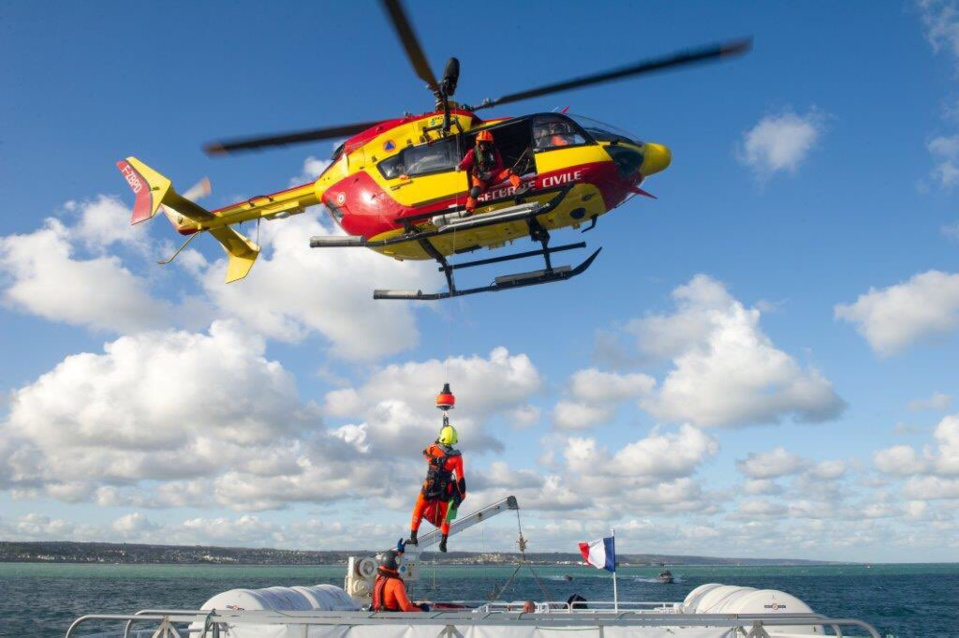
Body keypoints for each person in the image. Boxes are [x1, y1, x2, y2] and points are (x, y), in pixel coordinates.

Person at [408, 424, 466, 553]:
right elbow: (460, 478)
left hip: (429, 486)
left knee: (418, 509)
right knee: (446, 516)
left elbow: (425, 451)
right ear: (455, 439)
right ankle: (443, 542)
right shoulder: (457, 457)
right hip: (445, 490)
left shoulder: (432, 450)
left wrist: (438, 439)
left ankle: (413, 537)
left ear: (441, 437)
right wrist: (462, 495)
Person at [458, 130, 523, 213]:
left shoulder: (495, 152)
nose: (483, 145)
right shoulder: (473, 152)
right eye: (482, 143)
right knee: (474, 192)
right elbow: (466, 162)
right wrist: (461, 166)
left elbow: (500, 167)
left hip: (493, 177)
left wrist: (490, 174)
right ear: (478, 143)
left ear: (490, 143)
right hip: (480, 179)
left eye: (486, 143)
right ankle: (469, 210)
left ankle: (520, 189)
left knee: (510, 171)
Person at [371, 540, 429, 612]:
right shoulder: (396, 583)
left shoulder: (378, 577)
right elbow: (406, 608)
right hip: (390, 619)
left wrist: (399, 552)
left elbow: (390, 560)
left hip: (376, 614)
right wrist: (422, 610)